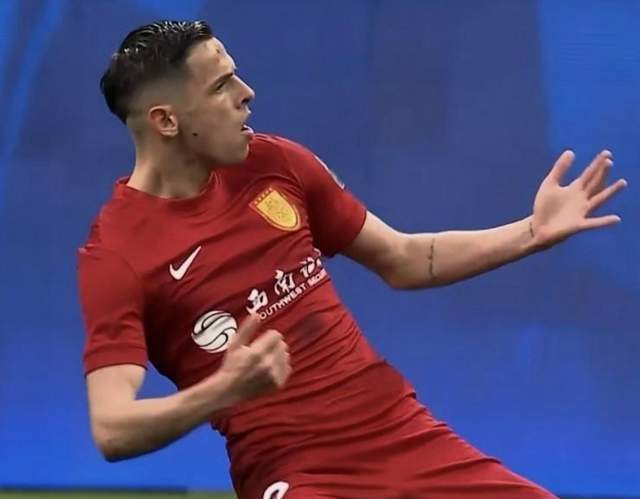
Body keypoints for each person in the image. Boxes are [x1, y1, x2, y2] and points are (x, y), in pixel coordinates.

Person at [78, 20, 627, 499]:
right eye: (221, 86)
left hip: (400, 431)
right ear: (166, 121)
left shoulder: (275, 163)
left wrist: (532, 232)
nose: (247, 93)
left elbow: (405, 258)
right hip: (294, 469)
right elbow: (112, 429)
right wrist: (221, 391)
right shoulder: (117, 255)